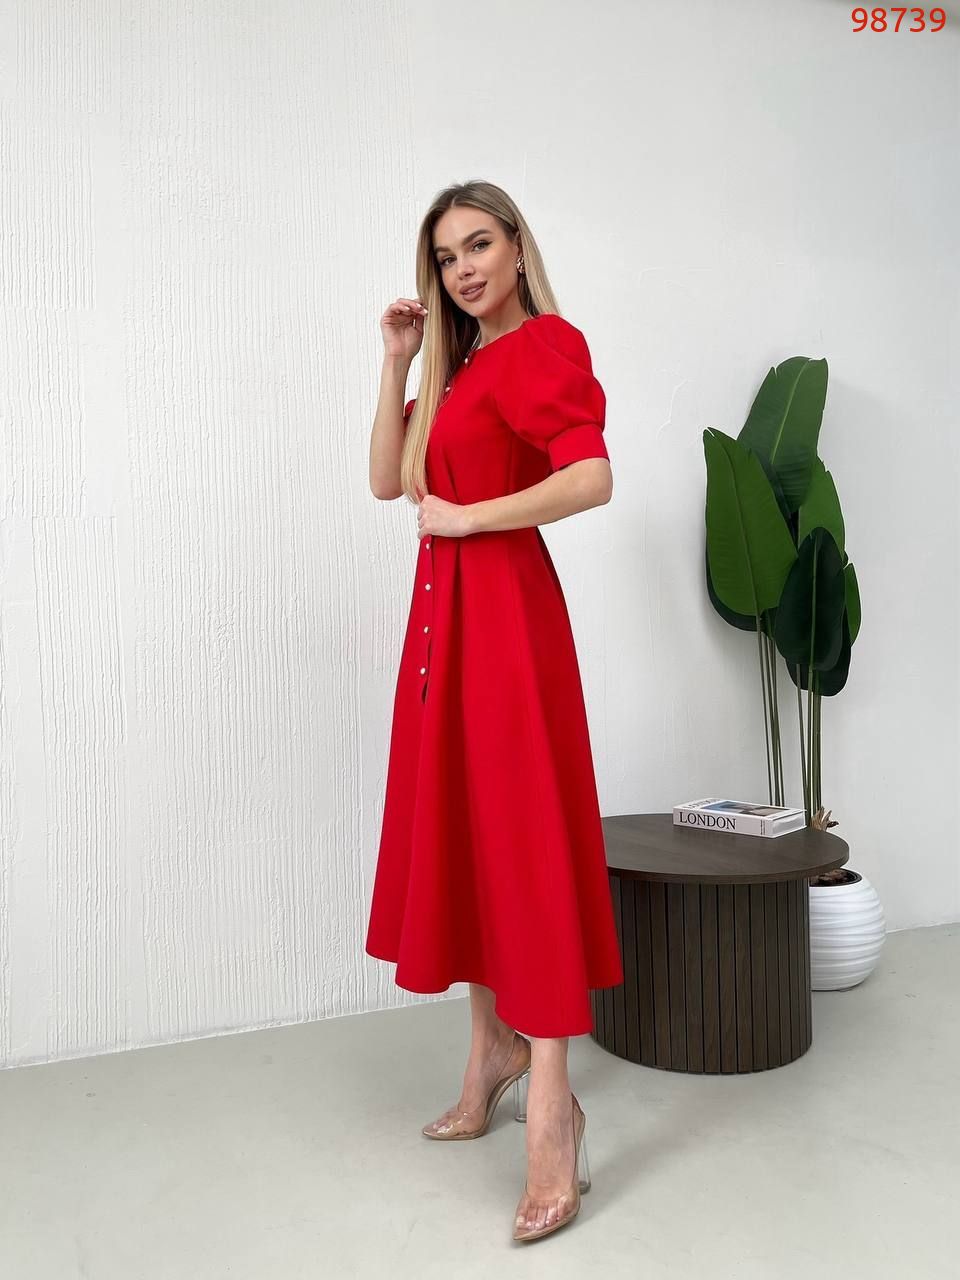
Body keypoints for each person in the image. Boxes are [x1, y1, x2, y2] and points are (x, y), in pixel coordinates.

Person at [365, 179, 624, 1243]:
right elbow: (389, 481)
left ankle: (553, 1112)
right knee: (467, 840)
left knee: (525, 850)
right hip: (442, 635)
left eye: (479, 244)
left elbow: (591, 477)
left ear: (517, 247)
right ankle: (491, 1052)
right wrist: (398, 361)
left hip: (509, 632)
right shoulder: (459, 370)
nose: (464, 267)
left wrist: (472, 518)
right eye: (447, 254)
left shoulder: (545, 347)